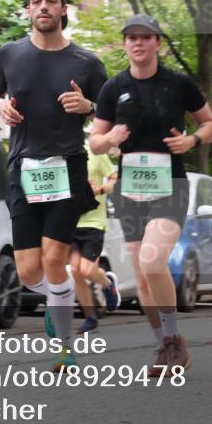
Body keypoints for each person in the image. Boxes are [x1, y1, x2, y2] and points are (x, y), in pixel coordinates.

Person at [0, 0, 107, 371]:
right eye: (36, 1)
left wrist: (88, 105)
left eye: (51, 1)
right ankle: (64, 296)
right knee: (28, 271)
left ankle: (65, 347)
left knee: (55, 256)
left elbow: (108, 113)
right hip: (23, 166)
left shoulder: (86, 63)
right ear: (28, 10)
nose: (43, 7)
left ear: (63, 9)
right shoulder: (10, 54)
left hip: (67, 166)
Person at [90, 14, 212, 377]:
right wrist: (110, 140)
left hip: (170, 186)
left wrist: (191, 140)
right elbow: (95, 142)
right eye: (131, 37)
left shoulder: (178, 84)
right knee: (143, 277)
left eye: (145, 37)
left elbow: (210, 124)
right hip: (129, 190)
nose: (138, 43)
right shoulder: (113, 88)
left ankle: (174, 340)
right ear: (125, 44)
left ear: (157, 43)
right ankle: (165, 345)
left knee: (151, 260)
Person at [70, 143, 120, 333]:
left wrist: (102, 190)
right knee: (75, 271)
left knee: (87, 270)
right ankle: (90, 317)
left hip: (94, 223)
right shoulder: (62, 156)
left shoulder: (94, 153)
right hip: (71, 223)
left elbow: (114, 177)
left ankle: (107, 283)